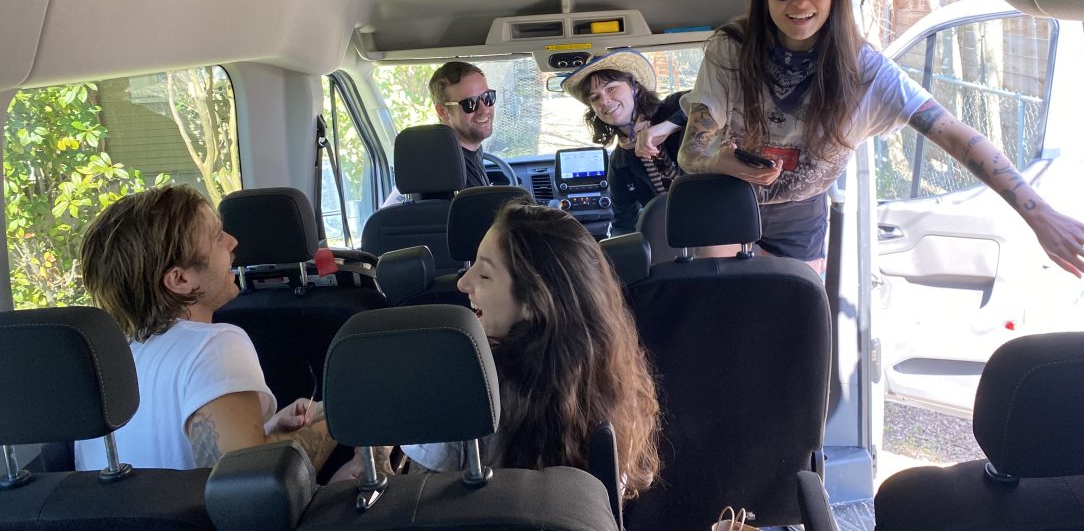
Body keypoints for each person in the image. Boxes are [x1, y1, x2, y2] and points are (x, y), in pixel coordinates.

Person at [678, 0, 1084, 282]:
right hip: (728, 196)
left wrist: (1039, 214)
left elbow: (954, 134)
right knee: (727, 306)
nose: (800, 2)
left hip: (803, 214)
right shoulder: (731, 50)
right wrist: (718, 164)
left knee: (792, 322)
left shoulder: (867, 74)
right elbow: (691, 152)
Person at [397, 201, 660, 501]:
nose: (462, 283)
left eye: (484, 275)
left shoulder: (457, 385)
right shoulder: (615, 385)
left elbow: (419, 506)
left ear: (534, 302)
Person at [73, 185, 337, 471]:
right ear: (180, 280)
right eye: (216, 236)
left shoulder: (105, 369)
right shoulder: (214, 345)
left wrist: (270, 429)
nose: (233, 241)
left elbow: (178, 461)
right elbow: (246, 480)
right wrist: (341, 417)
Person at [561, 48, 688, 235]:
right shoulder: (619, 163)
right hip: (676, 237)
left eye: (611, 88)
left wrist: (666, 127)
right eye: (595, 98)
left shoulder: (675, 106)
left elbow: (712, 102)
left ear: (634, 87)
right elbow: (624, 223)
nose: (604, 101)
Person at [430, 60, 496, 189]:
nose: (484, 109)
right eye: (470, 103)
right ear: (443, 112)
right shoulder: (449, 170)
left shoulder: (466, 153)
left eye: (487, 97)